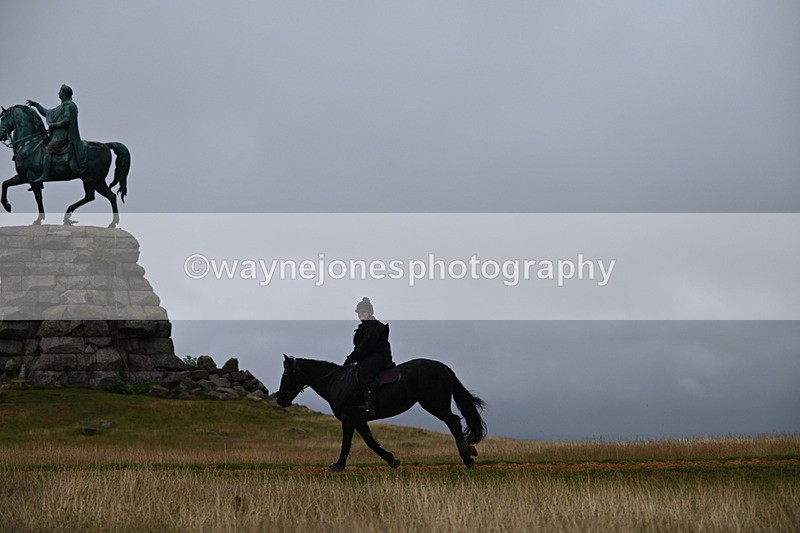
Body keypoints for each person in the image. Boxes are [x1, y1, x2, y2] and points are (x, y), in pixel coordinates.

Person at [26, 84, 87, 183]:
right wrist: (36, 105)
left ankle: (45, 175)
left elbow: (66, 120)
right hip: (56, 135)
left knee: (48, 149)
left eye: (60, 91)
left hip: (63, 136)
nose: (58, 93)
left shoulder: (69, 105)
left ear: (64, 94)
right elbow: (47, 113)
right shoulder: (61, 107)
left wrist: (54, 125)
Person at [343, 297, 392, 415]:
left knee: (365, 373)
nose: (360, 314)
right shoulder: (366, 326)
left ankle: (370, 405)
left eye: (363, 312)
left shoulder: (372, 326)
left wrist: (352, 358)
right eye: (359, 312)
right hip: (372, 354)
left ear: (369, 312)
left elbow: (366, 345)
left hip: (379, 355)